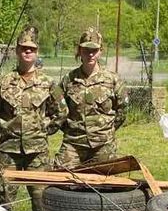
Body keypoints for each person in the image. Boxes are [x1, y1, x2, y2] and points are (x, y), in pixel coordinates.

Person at [0, 26, 67, 211]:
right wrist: (4, 130)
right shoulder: (3, 82)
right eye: (23, 48)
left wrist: (43, 128)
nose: (27, 51)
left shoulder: (48, 83)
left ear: (37, 51)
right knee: (3, 200)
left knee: (42, 200)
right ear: (16, 51)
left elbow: (61, 111)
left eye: (31, 48)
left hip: (37, 152)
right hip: (8, 150)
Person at [55, 27, 128, 168]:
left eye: (94, 51)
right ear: (79, 51)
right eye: (86, 50)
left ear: (100, 51)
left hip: (103, 143)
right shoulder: (68, 80)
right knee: (59, 177)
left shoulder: (112, 80)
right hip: (74, 143)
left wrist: (107, 130)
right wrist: (72, 129)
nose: (90, 55)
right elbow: (58, 108)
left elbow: (122, 110)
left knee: (106, 183)